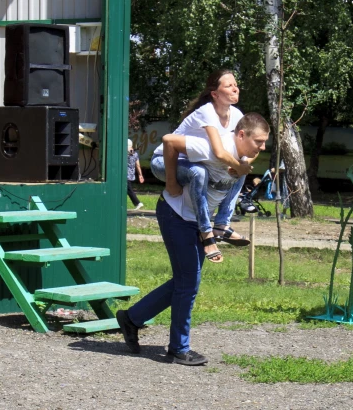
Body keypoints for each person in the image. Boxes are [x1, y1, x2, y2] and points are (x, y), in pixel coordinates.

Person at [116, 113, 270, 366]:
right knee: (189, 283)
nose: (262, 148)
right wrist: (172, 182)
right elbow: (169, 141)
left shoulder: (241, 160)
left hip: (199, 220)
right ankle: (178, 348)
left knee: (185, 281)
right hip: (177, 215)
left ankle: (132, 318)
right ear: (241, 135)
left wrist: (221, 219)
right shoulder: (210, 147)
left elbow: (245, 162)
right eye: (259, 142)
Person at [150, 69, 253, 263]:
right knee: (200, 172)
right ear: (215, 94)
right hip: (165, 161)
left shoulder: (237, 115)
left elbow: (247, 148)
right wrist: (171, 182)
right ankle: (206, 234)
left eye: (236, 84)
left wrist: (242, 166)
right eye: (229, 85)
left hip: (193, 159)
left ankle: (222, 224)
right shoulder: (208, 112)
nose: (235, 88)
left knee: (240, 169)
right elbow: (220, 152)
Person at [127, 139, 144, 210]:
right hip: (131, 174)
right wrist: (140, 175)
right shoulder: (135, 154)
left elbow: (129, 152)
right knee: (126, 189)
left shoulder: (126, 152)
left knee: (129, 190)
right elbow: (138, 165)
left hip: (125, 174)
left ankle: (138, 203)